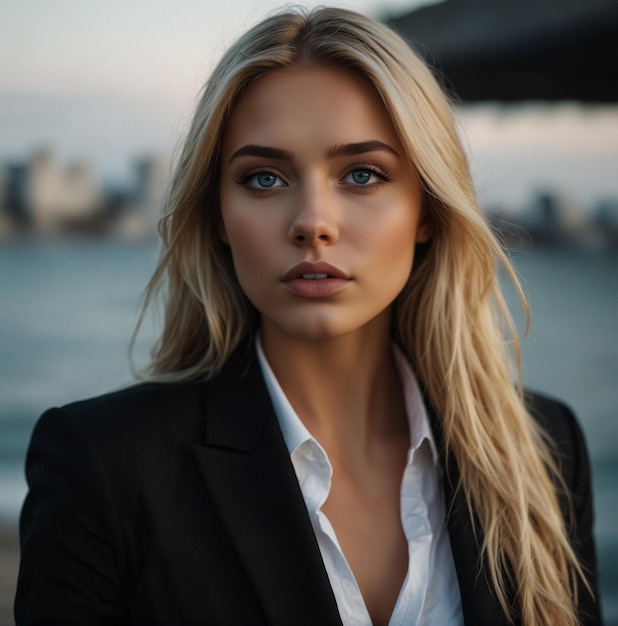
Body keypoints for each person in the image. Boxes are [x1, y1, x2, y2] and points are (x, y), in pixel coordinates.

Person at [15, 7, 600, 626]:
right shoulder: (103, 466)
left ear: (428, 208)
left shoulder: (543, 449)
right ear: (216, 213)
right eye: (264, 178)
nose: (312, 222)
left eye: (362, 174)